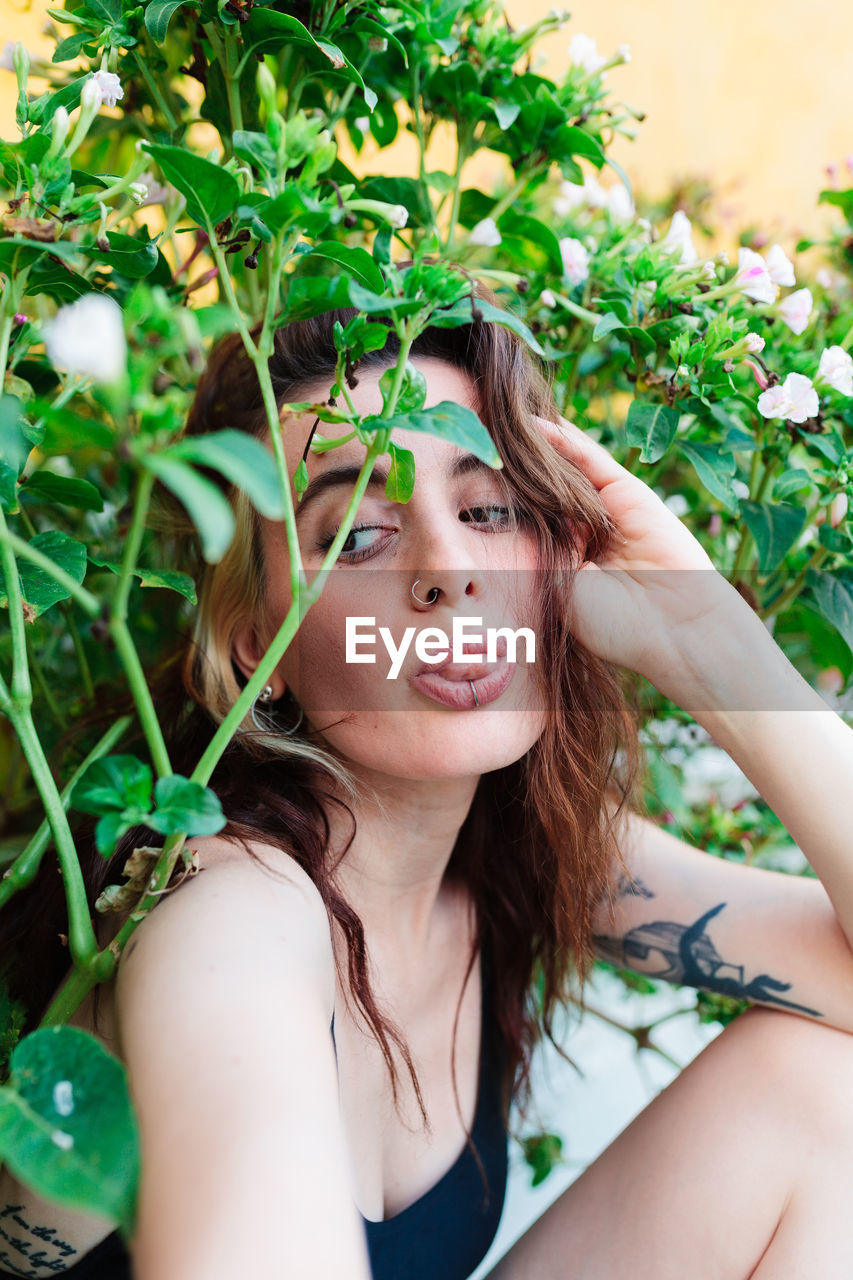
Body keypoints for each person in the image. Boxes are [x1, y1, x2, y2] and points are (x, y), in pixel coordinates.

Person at [3, 284, 853, 1280]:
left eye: (489, 507)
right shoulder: (220, 903)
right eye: (356, 534)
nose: (449, 568)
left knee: (818, 1091)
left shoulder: (519, 849)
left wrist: (710, 647)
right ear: (253, 646)